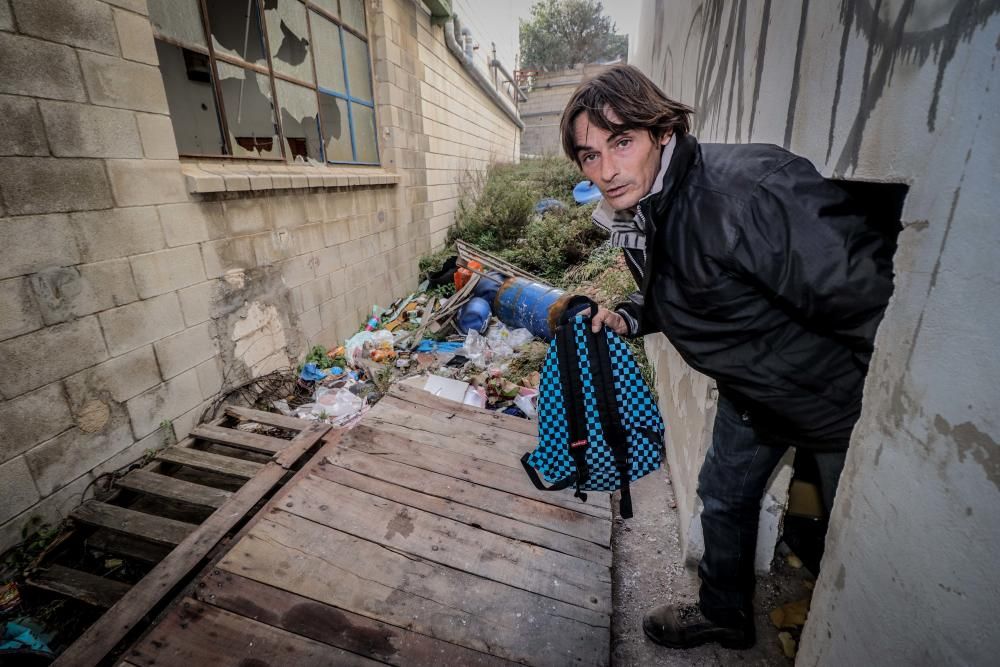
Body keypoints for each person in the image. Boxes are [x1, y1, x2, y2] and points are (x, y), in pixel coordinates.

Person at [559, 64, 894, 650]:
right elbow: (686, 289)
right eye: (589, 155)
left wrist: (882, 418)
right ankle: (725, 614)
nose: (606, 171)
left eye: (620, 142)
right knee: (724, 497)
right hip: (751, 393)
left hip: (839, 404)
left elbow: (869, 304)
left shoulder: (749, 192)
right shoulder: (646, 207)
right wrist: (631, 315)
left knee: (860, 545)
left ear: (662, 131)